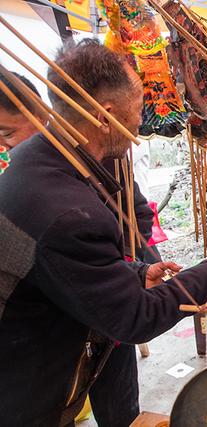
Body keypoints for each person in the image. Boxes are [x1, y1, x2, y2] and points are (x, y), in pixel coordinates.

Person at [0, 40, 207, 426]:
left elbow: (55, 269)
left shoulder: (35, 163)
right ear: (106, 116)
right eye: (138, 111)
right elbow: (135, 319)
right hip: (27, 389)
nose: (139, 125)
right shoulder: (67, 210)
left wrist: (133, 272)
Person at [0, 70, 155, 426]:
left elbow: (138, 213)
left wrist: (125, 266)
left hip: (105, 309)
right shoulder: (22, 174)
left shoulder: (101, 149)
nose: (6, 145)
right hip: (48, 332)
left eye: (9, 132)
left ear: (42, 113)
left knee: (120, 404)